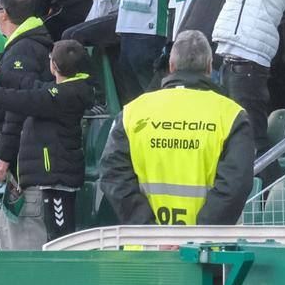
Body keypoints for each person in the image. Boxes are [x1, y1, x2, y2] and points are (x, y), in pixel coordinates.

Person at [101, 30, 255, 226]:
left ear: (171, 67)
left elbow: (113, 176)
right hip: (210, 252)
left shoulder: (132, 112)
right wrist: (197, 236)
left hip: (146, 249)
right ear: (209, 67)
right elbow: (236, 184)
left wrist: (149, 231)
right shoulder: (232, 115)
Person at [0, 37, 96, 244]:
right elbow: (32, 84)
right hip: (53, 178)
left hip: (57, 181)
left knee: (61, 244)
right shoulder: (67, 88)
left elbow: (25, 99)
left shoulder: (64, 94)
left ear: (53, 65)